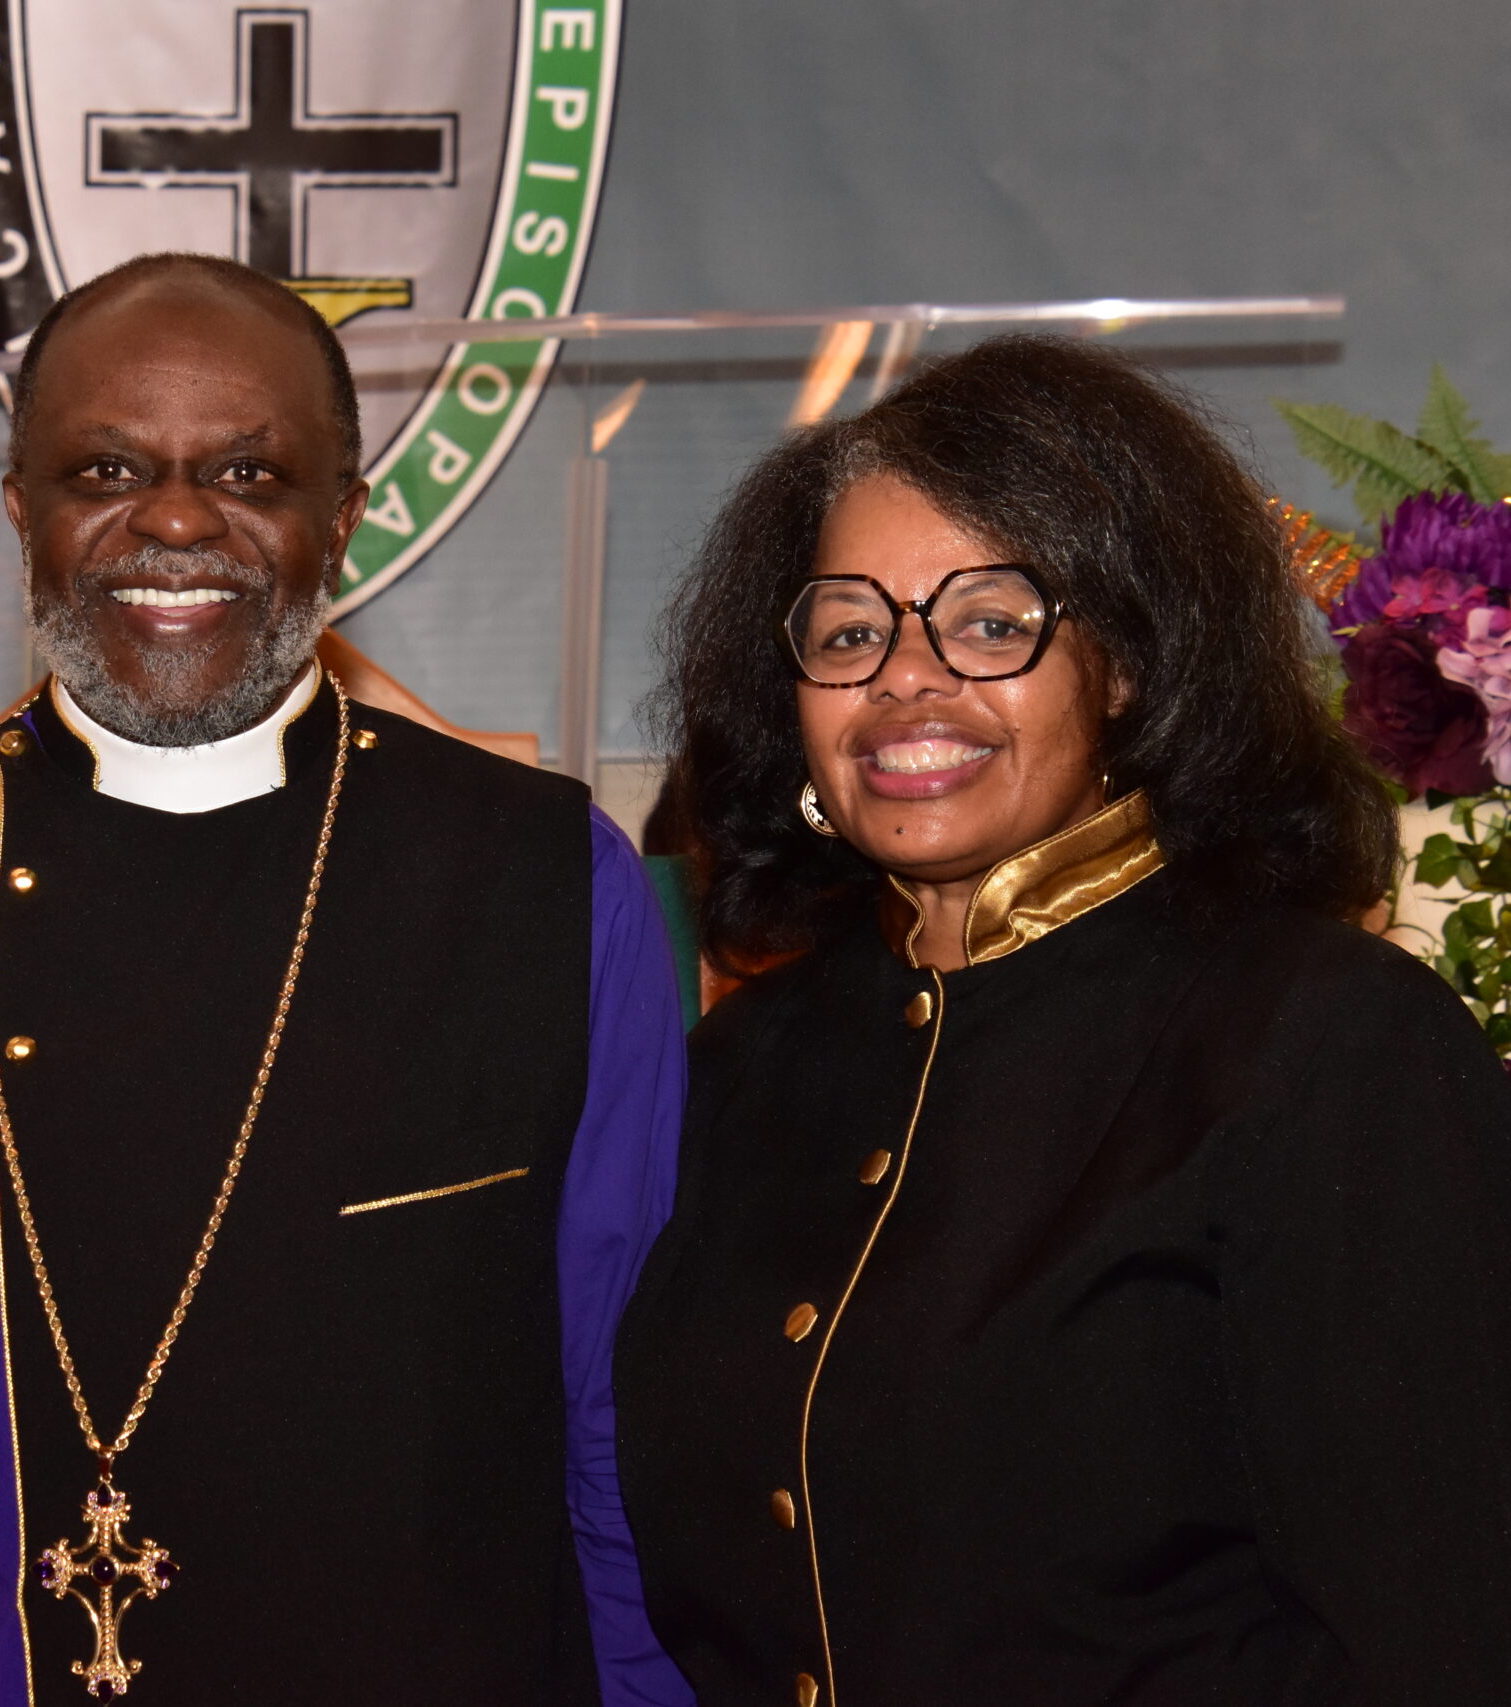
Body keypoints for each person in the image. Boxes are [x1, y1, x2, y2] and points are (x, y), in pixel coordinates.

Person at [0, 252, 691, 1705]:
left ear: (342, 518)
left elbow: (618, 1416)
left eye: (250, 472)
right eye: (106, 469)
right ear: (22, 510)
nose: (174, 520)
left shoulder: (544, 878)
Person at [613, 334, 1511, 1705]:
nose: (905, 680)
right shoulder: (738, 1067)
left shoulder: (1322, 1040)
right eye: (848, 633)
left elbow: (1446, 1628)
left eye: (992, 624)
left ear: (1131, 666)